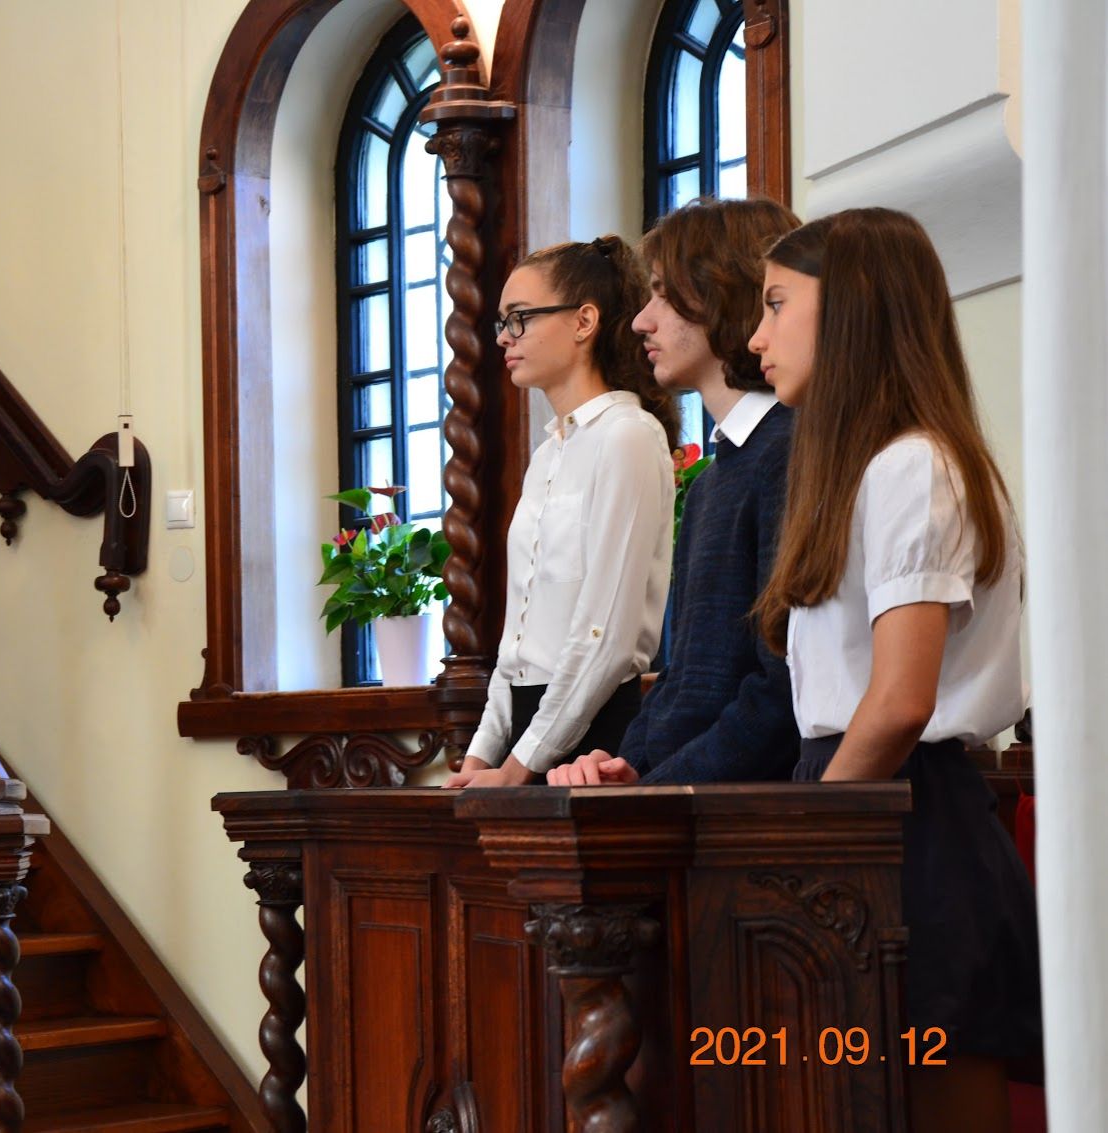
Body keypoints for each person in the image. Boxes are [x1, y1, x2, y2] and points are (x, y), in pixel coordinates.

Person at [748, 207, 1040, 1133]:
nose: (755, 337)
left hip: (902, 814)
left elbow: (899, 699)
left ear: (851, 309)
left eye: (775, 304)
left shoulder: (914, 467)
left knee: (928, 1100)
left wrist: (810, 840)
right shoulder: (875, 467)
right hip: (868, 796)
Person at [545, 197, 803, 788]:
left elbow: (779, 690)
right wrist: (626, 763)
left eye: (663, 294)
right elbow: (687, 678)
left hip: (744, 810)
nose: (641, 321)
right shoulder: (714, 477)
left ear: (722, 295)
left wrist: (653, 787)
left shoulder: (788, 454)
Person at [445, 236, 676, 788]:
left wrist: (519, 768)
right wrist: (482, 755)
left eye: (520, 318)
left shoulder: (627, 436)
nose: (504, 337)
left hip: (594, 735)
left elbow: (606, 636)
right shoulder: (549, 453)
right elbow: (518, 641)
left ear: (584, 321)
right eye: (502, 322)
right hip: (531, 735)